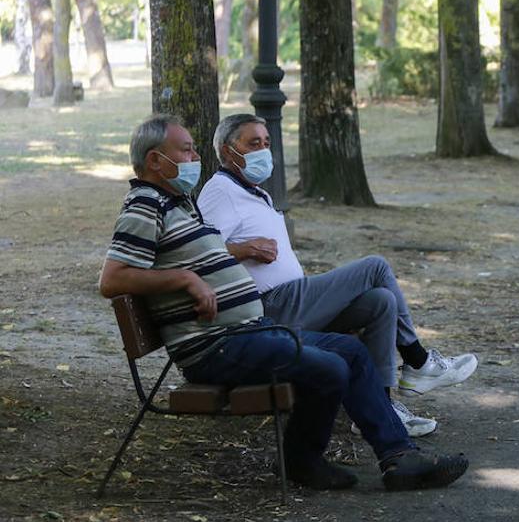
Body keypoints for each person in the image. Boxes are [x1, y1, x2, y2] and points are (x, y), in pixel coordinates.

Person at [99, 114, 469, 491]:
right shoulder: (145, 206)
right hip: (216, 346)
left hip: (245, 332)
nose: (195, 156)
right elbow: (112, 279)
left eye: (194, 148)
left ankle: (398, 458)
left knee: (351, 352)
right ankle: (302, 460)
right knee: (330, 366)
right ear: (155, 160)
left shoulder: (179, 204)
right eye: (186, 149)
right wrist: (186, 278)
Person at [197, 114, 479, 438]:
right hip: (270, 309)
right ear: (227, 151)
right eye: (253, 143)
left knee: (380, 301)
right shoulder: (220, 190)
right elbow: (202, 252)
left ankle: (381, 408)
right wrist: (244, 249)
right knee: (375, 267)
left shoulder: (252, 191)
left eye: (267, 143)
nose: (264, 150)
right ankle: (418, 362)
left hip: (292, 301)